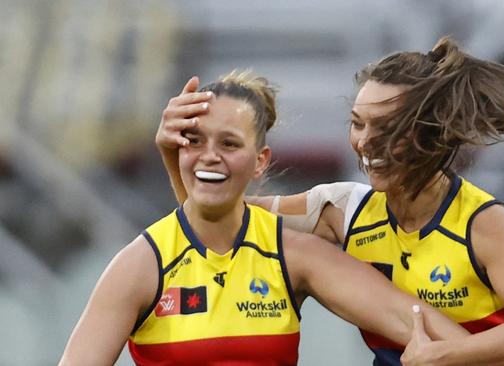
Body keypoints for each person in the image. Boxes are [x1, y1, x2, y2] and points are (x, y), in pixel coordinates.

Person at [156, 37, 504, 365]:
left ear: (431, 131)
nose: (365, 142)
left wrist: (446, 354)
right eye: (357, 123)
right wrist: (172, 154)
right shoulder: (343, 210)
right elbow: (215, 220)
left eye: (386, 127)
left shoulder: (483, 222)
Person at [58, 70, 469, 366]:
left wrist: (462, 354)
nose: (210, 155)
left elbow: (415, 324)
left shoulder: (293, 255)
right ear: (178, 148)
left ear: (260, 163)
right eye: (194, 141)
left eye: (229, 143)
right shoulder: (141, 265)